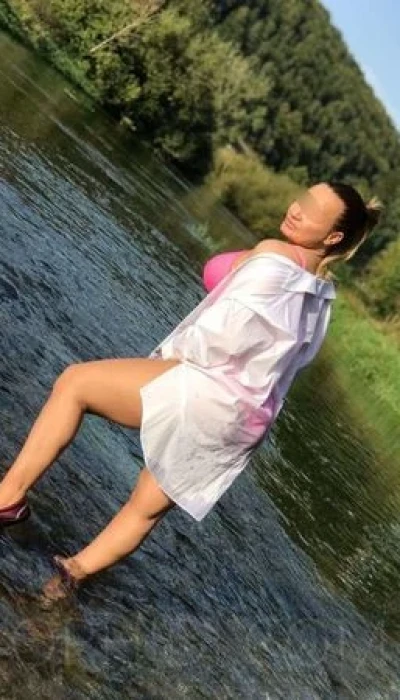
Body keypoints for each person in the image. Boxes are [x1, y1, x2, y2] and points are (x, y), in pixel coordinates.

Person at [0, 182, 381, 601]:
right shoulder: (321, 298)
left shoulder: (275, 254)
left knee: (75, 383)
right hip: (246, 420)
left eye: (311, 210)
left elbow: (226, 327)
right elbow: (287, 362)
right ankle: (64, 585)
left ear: (333, 237)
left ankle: (8, 498)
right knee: (145, 508)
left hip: (206, 387)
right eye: (302, 199)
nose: (296, 209)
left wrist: (173, 362)